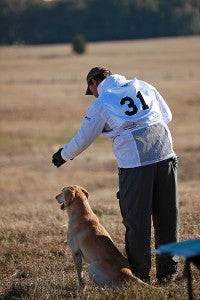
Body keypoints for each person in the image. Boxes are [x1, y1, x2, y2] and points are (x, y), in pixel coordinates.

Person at [52, 66, 179, 283]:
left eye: (91, 90)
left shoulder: (102, 102)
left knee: (137, 220)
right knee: (167, 215)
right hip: (166, 151)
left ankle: (139, 276)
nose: (92, 94)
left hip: (135, 162)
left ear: (94, 83)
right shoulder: (143, 85)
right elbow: (166, 115)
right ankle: (169, 273)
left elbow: (84, 137)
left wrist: (62, 155)